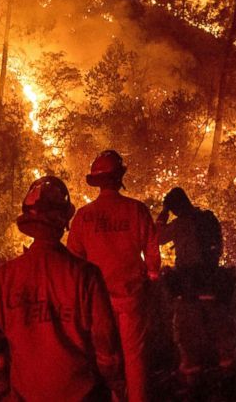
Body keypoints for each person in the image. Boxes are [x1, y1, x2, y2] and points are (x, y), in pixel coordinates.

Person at [0, 175, 126, 402]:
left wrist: (1, 384)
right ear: (63, 221)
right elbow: (105, 340)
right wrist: (115, 384)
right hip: (81, 395)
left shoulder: (3, 278)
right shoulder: (86, 275)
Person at [67, 150, 159, 402]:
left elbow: (74, 261)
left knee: (103, 357)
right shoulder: (137, 210)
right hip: (131, 296)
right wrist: (151, 276)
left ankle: (113, 397)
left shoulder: (84, 217)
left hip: (97, 302)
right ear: (119, 178)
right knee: (134, 357)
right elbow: (152, 250)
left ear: (96, 182)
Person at [156, 188, 235, 392]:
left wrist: (161, 217)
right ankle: (228, 372)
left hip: (189, 283)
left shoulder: (180, 224)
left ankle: (193, 376)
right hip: (212, 279)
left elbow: (157, 238)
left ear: (174, 208)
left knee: (187, 329)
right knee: (219, 327)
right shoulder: (208, 218)